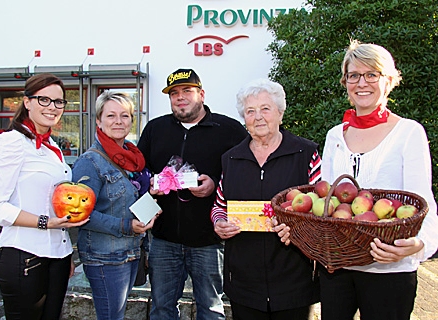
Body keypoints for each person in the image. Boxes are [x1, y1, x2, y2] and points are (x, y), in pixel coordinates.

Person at [319, 40, 438, 320]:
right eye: (354, 75)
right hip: (339, 267)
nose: (362, 82)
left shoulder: (408, 133)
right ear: (345, 82)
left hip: (389, 266)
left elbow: (424, 201)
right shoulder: (335, 136)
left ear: (389, 80)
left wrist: (420, 244)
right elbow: (326, 201)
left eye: (372, 74)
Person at [137, 68, 248, 319]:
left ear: (202, 94)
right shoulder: (155, 129)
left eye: (187, 90)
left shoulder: (229, 130)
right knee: (161, 309)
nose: (180, 97)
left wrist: (214, 184)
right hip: (163, 240)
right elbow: (139, 173)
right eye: (174, 93)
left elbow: (245, 176)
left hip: (208, 241)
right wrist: (150, 184)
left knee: (210, 309)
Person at [210, 78, 322, 319]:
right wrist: (219, 224)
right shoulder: (231, 159)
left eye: (265, 109)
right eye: (250, 111)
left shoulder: (306, 154)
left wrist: (297, 227)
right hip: (244, 282)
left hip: (294, 278)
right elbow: (219, 206)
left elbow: (322, 210)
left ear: (280, 113)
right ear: (244, 118)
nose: (258, 116)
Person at [0, 73, 88, 319]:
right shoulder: (12, 142)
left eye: (58, 102)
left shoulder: (51, 146)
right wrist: (46, 223)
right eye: (44, 100)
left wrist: (64, 252)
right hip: (24, 254)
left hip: (57, 256)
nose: (52, 107)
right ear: (27, 102)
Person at [71, 91, 157, 320]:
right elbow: (80, 214)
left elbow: (130, 198)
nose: (118, 121)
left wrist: (151, 205)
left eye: (125, 115)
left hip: (131, 251)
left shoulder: (133, 158)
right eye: (110, 115)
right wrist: (127, 225)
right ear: (98, 120)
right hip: (105, 257)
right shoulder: (89, 162)